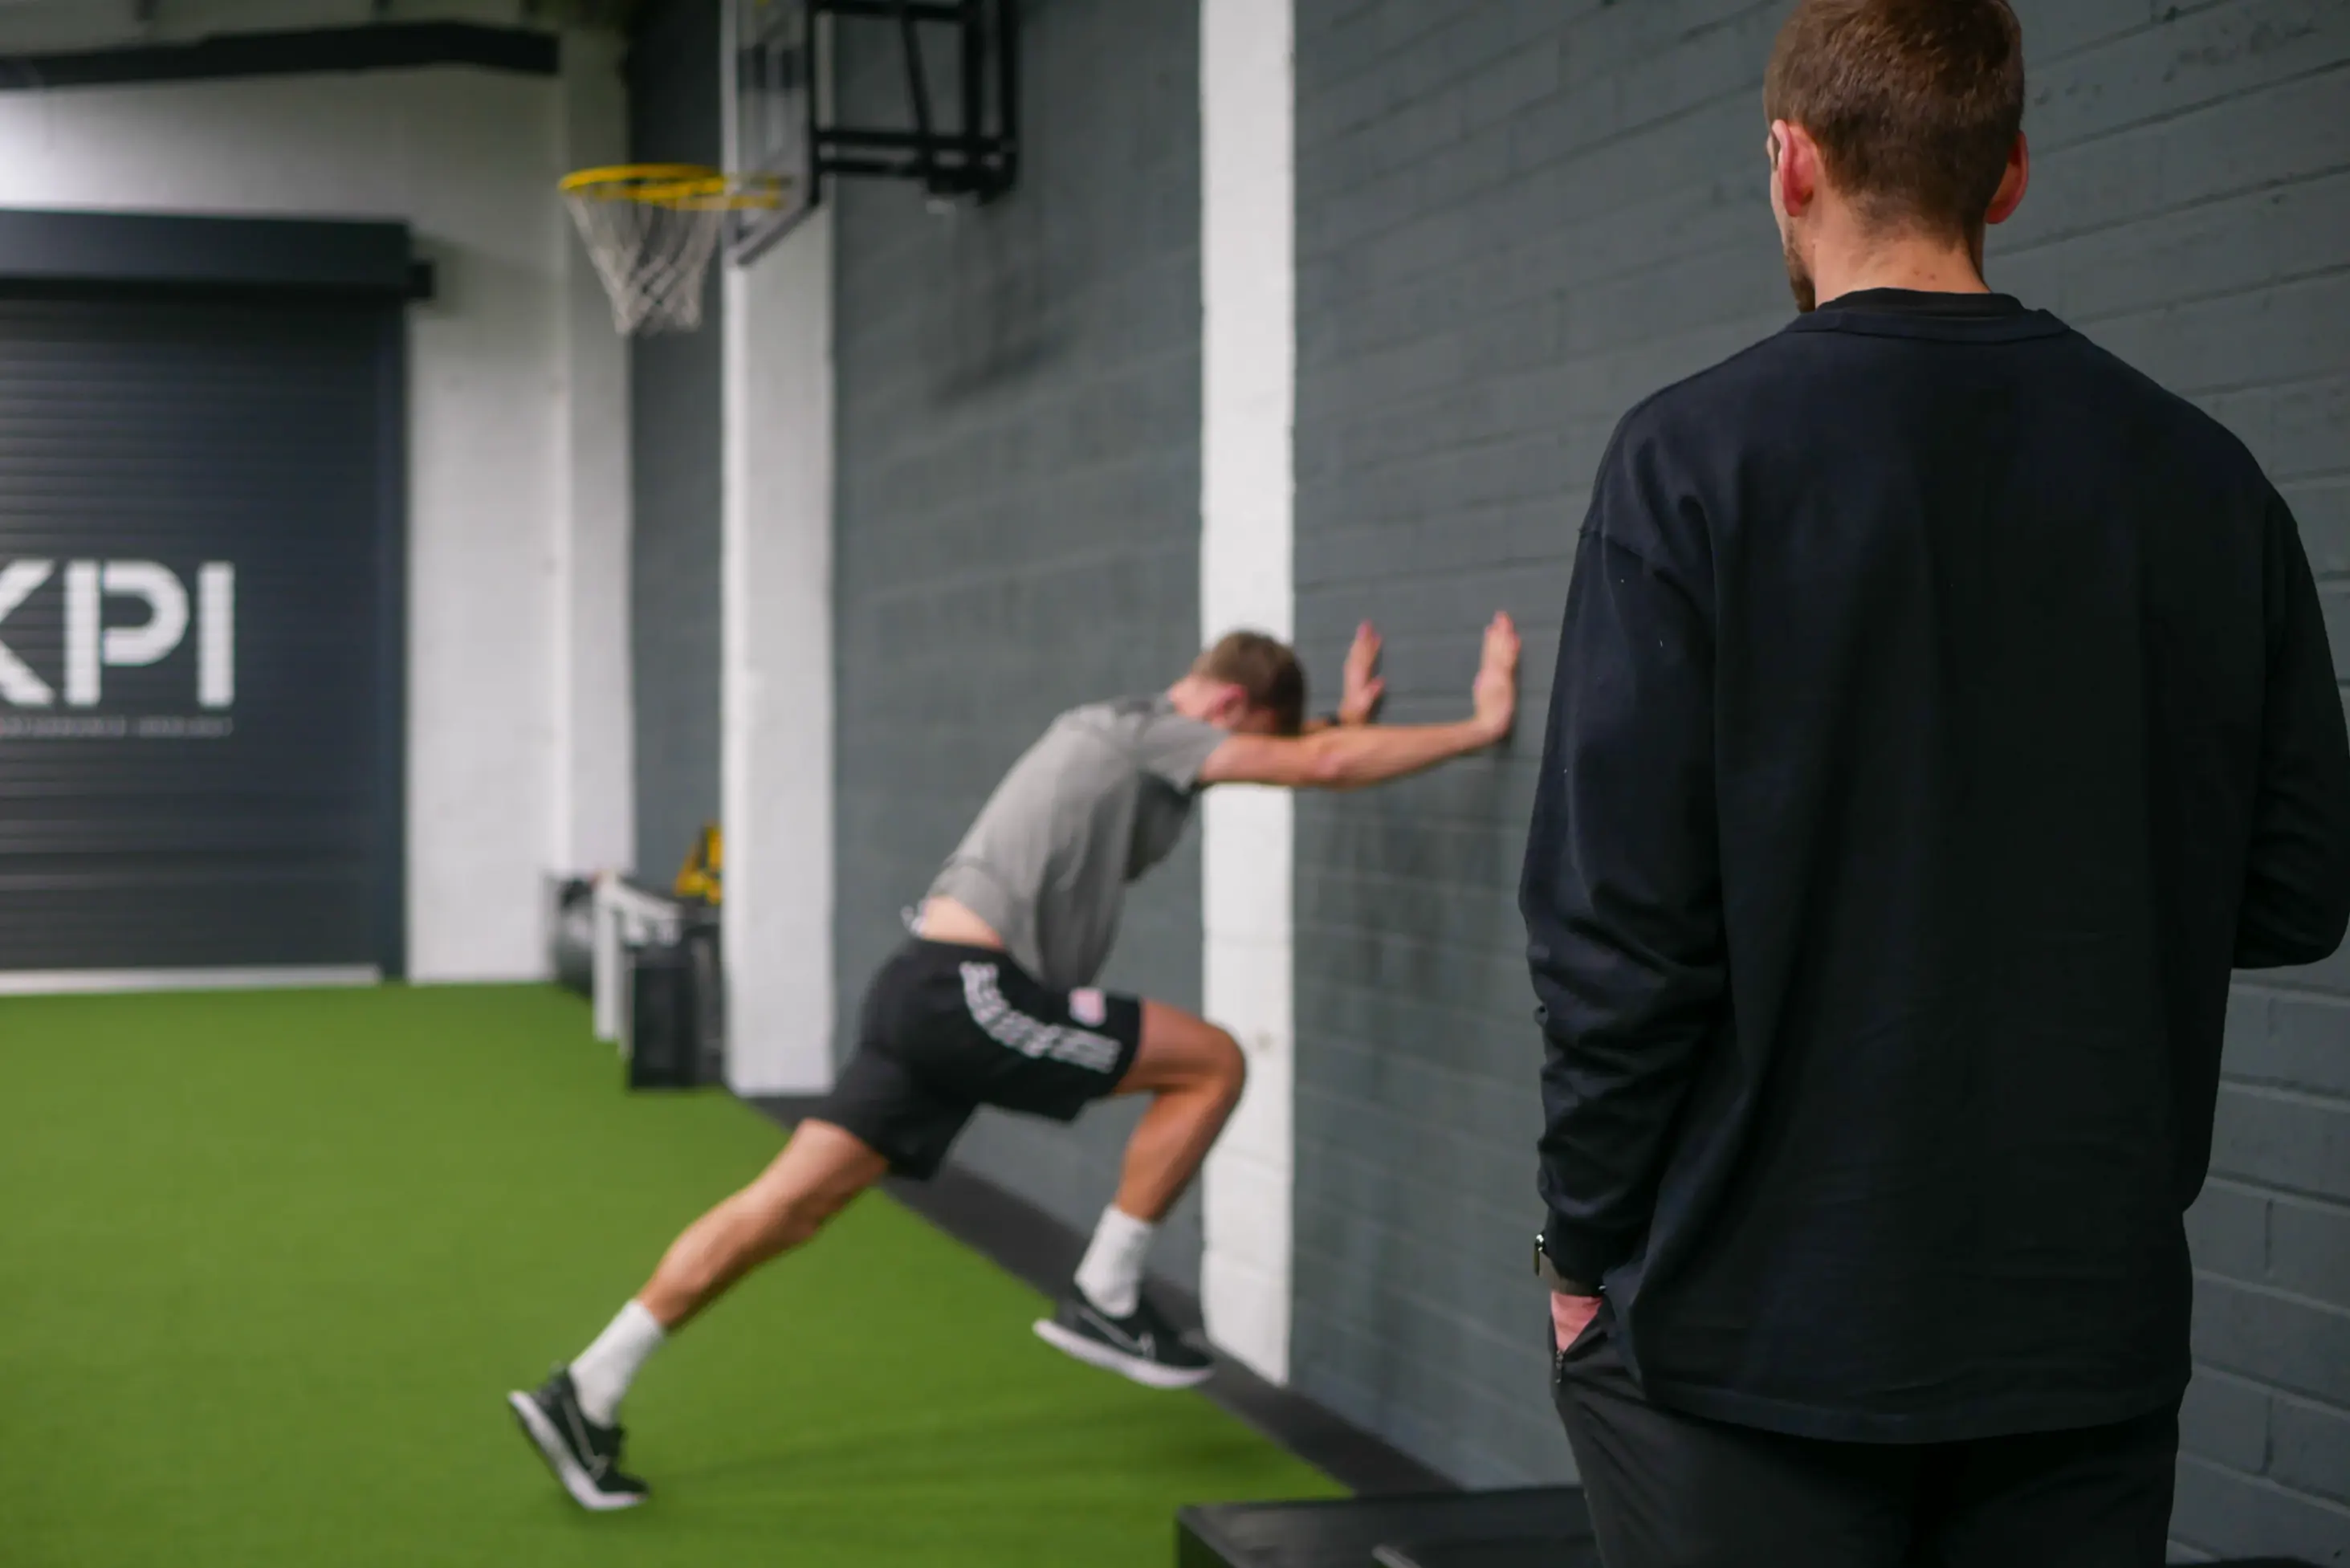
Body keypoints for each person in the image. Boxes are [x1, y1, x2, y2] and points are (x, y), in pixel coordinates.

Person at [1519, 2, 2350, 1564]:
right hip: (2078, 1322)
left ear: (1787, 161)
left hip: (1747, 1329)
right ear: (2009, 172)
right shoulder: (2204, 479)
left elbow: (1614, 933)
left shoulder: (1686, 461)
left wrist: (1582, 1240)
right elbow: (2295, 889)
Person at [512, 612, 1522, 1509]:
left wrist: (1333, 721)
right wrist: (1474, 730)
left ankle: (589, 1386)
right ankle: (1107, 1294)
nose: (1242, 759)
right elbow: (1320, 767)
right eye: (1250, 734)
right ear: (1226, 700)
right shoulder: (1139, 732)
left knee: (787, 1207)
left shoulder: (1133, 731)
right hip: (973, 991)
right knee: (1210, 1062)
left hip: (920, 986)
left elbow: (1300, 751)